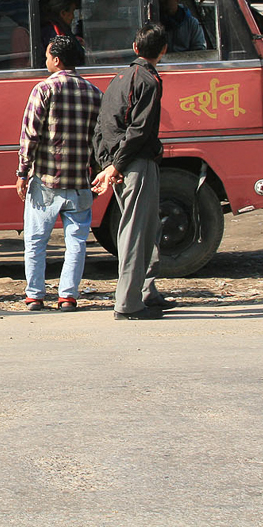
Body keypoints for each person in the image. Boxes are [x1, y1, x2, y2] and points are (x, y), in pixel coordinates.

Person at [91, 23, 177, 320]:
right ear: (163, 51)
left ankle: (146, 291)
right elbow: (140, 130)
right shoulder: (150, 81)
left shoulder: (118, 79)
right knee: (136, 232)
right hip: (135, 164)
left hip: (120, 163)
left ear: (135, 47)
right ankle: (128, 304)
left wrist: (107, 164)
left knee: (148, 228)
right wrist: (116, 165)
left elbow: (101, 126)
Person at [16, 36, 103, 312]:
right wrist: (98, 171)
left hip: (46, 181)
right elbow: (101, 139)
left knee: (36, 240)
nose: (45, 60)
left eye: (46, 55)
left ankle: (35, 295)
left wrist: (22, 172)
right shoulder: (94, 93)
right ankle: (67, 296)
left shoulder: (43, 90)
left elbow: (30, 135)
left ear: (57, 59)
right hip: (79, 181)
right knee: (76, 242)